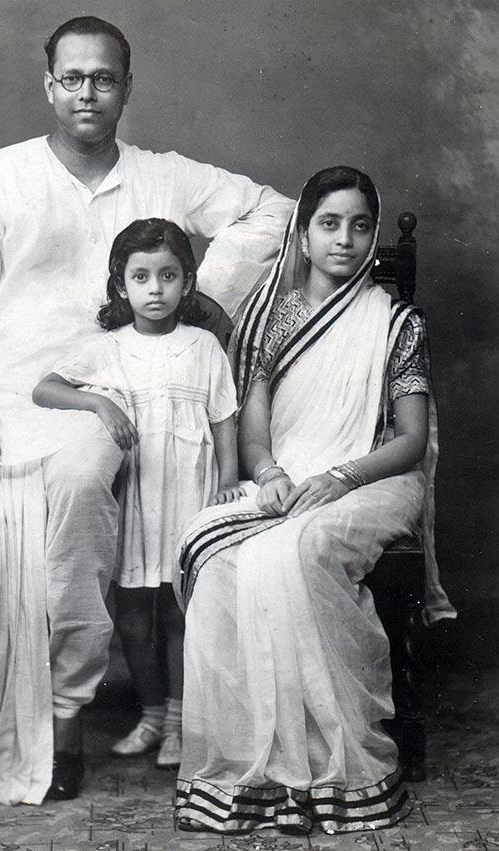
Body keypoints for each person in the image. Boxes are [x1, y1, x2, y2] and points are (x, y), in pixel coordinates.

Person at [0, 15, 293, 828]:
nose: (88, 93)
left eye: (104, 78)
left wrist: (198, 291)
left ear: (127, 88)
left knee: (73, 500)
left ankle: (62, 722)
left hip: (99, 401)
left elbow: (275, 212)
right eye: (72, 78)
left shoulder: (161, 178)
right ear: (49, 87)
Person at [174, 166, 456, 836]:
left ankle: (331, 771)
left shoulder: (394, 321)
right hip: (291, 472)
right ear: (303, 233)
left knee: (297, 554)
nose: (347, 239)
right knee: (217, 566)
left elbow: (412, 440)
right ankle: (259, 773)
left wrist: (344, 477)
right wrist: (269, 471)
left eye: (362, 225)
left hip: (375, 474)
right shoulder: (272, 315)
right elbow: (256, 422)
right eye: (330, 223)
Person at [33, 219, 245, 770]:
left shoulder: (203, 347)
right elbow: (44, 387)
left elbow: (224, 419)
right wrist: (101, 405)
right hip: (135, 494)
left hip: (189, 493)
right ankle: (150, 714)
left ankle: (178, 722)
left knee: (178, 614)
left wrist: (226, 482)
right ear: (121, 286)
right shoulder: (108, 349)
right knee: (130, 614)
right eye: (142, 277)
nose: (156, 289)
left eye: (169, 275)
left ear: (187, 282)